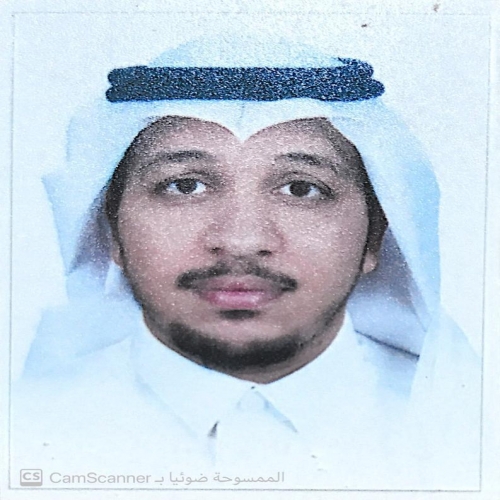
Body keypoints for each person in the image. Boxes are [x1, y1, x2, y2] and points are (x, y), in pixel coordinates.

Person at [12, 35, 480, 490]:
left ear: (374, 237)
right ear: (111, 231)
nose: (241, 240)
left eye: (301, 188)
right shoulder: (22, 426)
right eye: (185, 186)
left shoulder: (470, 428)